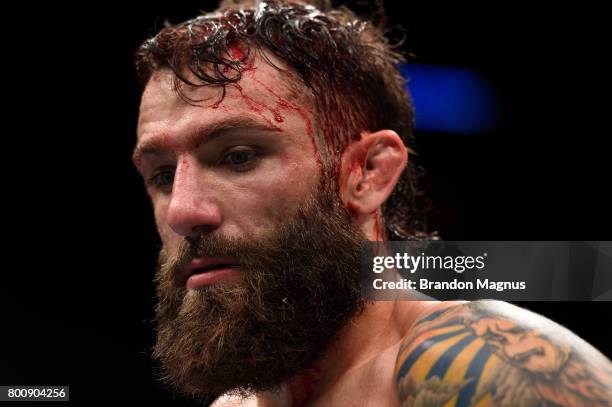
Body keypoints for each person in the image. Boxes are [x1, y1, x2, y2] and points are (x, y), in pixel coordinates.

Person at [131, 0, 612, 405]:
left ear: (368, 173)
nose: (183, 211)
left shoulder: (489, 368)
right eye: (164, 175)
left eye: (238, 156)